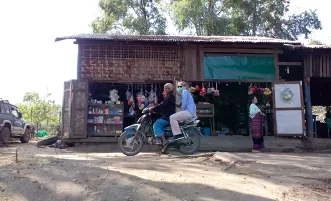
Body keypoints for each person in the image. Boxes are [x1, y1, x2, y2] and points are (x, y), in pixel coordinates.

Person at [150, 83, 176, 151]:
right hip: (167, 115)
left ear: (170, 89)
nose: (165, 89)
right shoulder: (168, 97)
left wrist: (153, 108)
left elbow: (162, 105)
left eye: (167, 88)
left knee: (156, 124)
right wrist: (156, 110)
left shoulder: (170, 97)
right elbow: (163, 106)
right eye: (165, 88)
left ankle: (164, 141)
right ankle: (163, 145)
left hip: (168, 116)